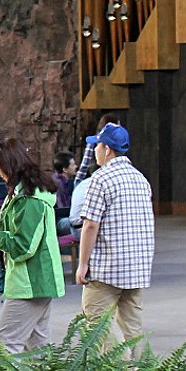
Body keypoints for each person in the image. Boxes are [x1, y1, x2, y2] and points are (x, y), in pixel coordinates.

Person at [0, 137, 65, 353]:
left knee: (6, 345)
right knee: (39, 348)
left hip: (30, 283)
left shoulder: (29, 199)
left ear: (10, 164)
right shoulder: (23, 194)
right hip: (36, 281)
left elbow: (24, 246)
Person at [75, 123, 155, 356]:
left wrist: (82, 264)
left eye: (97, 145)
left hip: (107, 268)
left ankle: (121, 370)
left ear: (107, 149)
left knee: (98, 322)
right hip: (137, 267)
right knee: (131, 325)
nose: (95, 150)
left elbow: (90, 225)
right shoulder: (140, 178)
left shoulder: (101, 178)